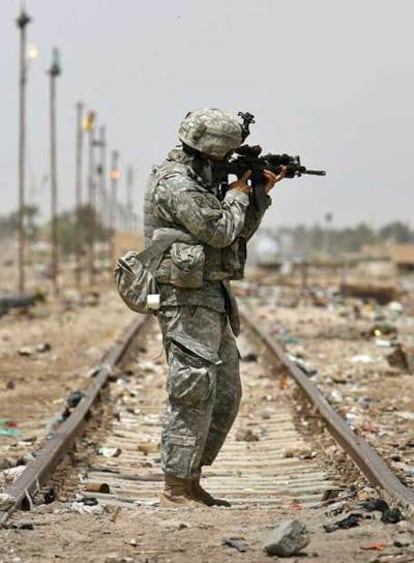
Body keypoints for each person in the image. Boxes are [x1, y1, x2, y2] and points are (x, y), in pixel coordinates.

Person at [143, 107, 285, 507]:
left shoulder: (200, 182)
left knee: (224, 394)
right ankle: (176, 485)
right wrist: (239, 193)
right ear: (209, 153)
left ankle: (191, 476)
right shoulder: (176, 185)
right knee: (192, 389)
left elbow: (236, 231)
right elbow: (221, 230)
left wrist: (258, 196)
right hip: (185, 299)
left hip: (210, 297)